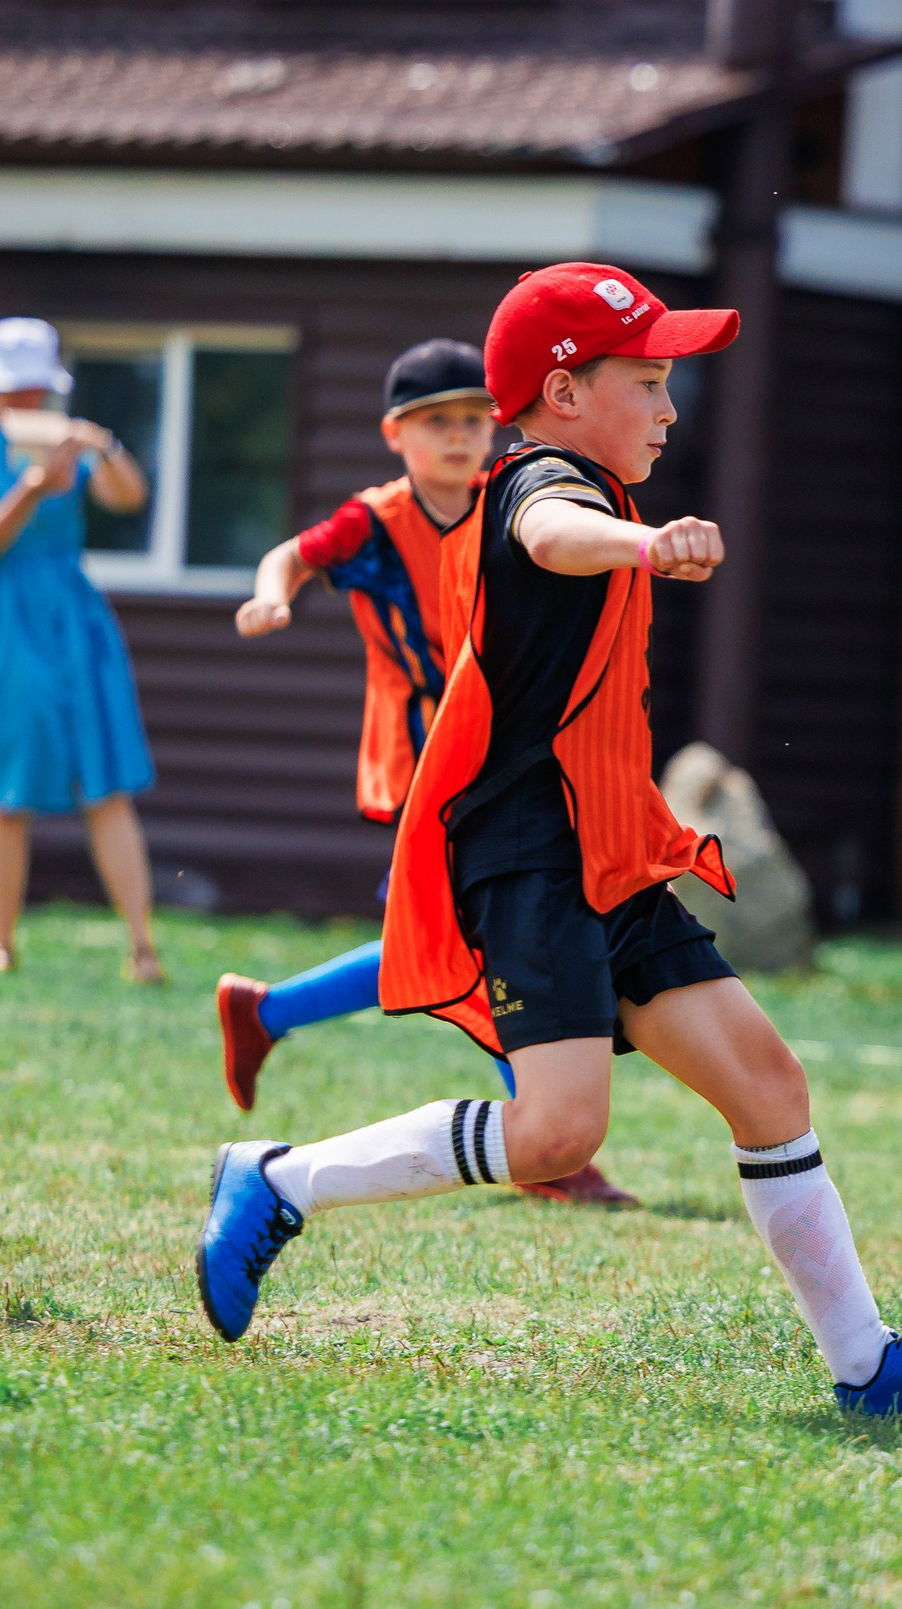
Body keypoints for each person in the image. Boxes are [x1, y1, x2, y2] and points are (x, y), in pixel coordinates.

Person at [195, 263, 902, 1416]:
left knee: (768, 1086)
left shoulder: (589, 481)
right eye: (648, 380)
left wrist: (634, 541)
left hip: (605, 851)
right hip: (528, 855)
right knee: (554, 1134)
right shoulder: (538, 482)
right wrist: (640, 548)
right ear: (564, 388)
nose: (668, 408)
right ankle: (277, 1181)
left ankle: (869, 1369)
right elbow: (552, 533)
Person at [212, 337, 635, 1208]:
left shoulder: (505, 499)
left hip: (498, 752)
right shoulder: (371, 521)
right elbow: (292, 554)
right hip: (426, 762)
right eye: (436, 422)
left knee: (455, 942)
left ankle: (267, 1011)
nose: (459, 437)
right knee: (479, 944)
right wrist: (273, 593)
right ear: (394, 435)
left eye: (475, 419)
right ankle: (545, 1140)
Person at [0, 318, 163, 982]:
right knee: (6, 790)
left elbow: (130, 497)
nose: (28, 402)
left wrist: (102, 445)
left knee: (108, 780)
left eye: (37, 389)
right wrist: (33, 485)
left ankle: (142, 946)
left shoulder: (73, 444)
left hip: (73, 615)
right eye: (16, 390)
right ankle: (2, 942)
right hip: (0, 620)